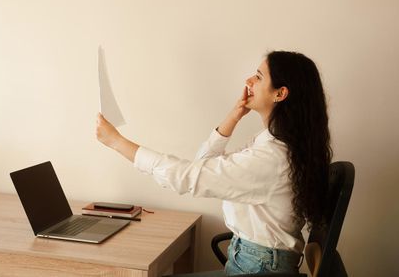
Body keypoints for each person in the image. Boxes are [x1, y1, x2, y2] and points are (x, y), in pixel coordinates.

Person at [96, 51, 332, 276]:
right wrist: (234, 115)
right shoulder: (272, 143)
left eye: (259, 77)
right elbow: (202, 166)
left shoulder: (271, 158)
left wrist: (117, 142)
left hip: (258, 268)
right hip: (256, 262)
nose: (249, 80)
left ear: (279, 94)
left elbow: (187, 177)